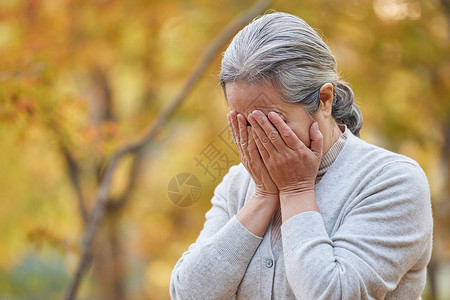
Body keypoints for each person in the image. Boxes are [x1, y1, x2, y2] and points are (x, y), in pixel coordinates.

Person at [170, 12, 433, 299]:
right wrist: (262, 197)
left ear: (324, 100)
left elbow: (331, 294)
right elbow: (188, 292)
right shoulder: (238, 183)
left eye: (271, 123)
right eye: (245, 124)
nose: (258, 139)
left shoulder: (392, 181)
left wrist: (296, 190)